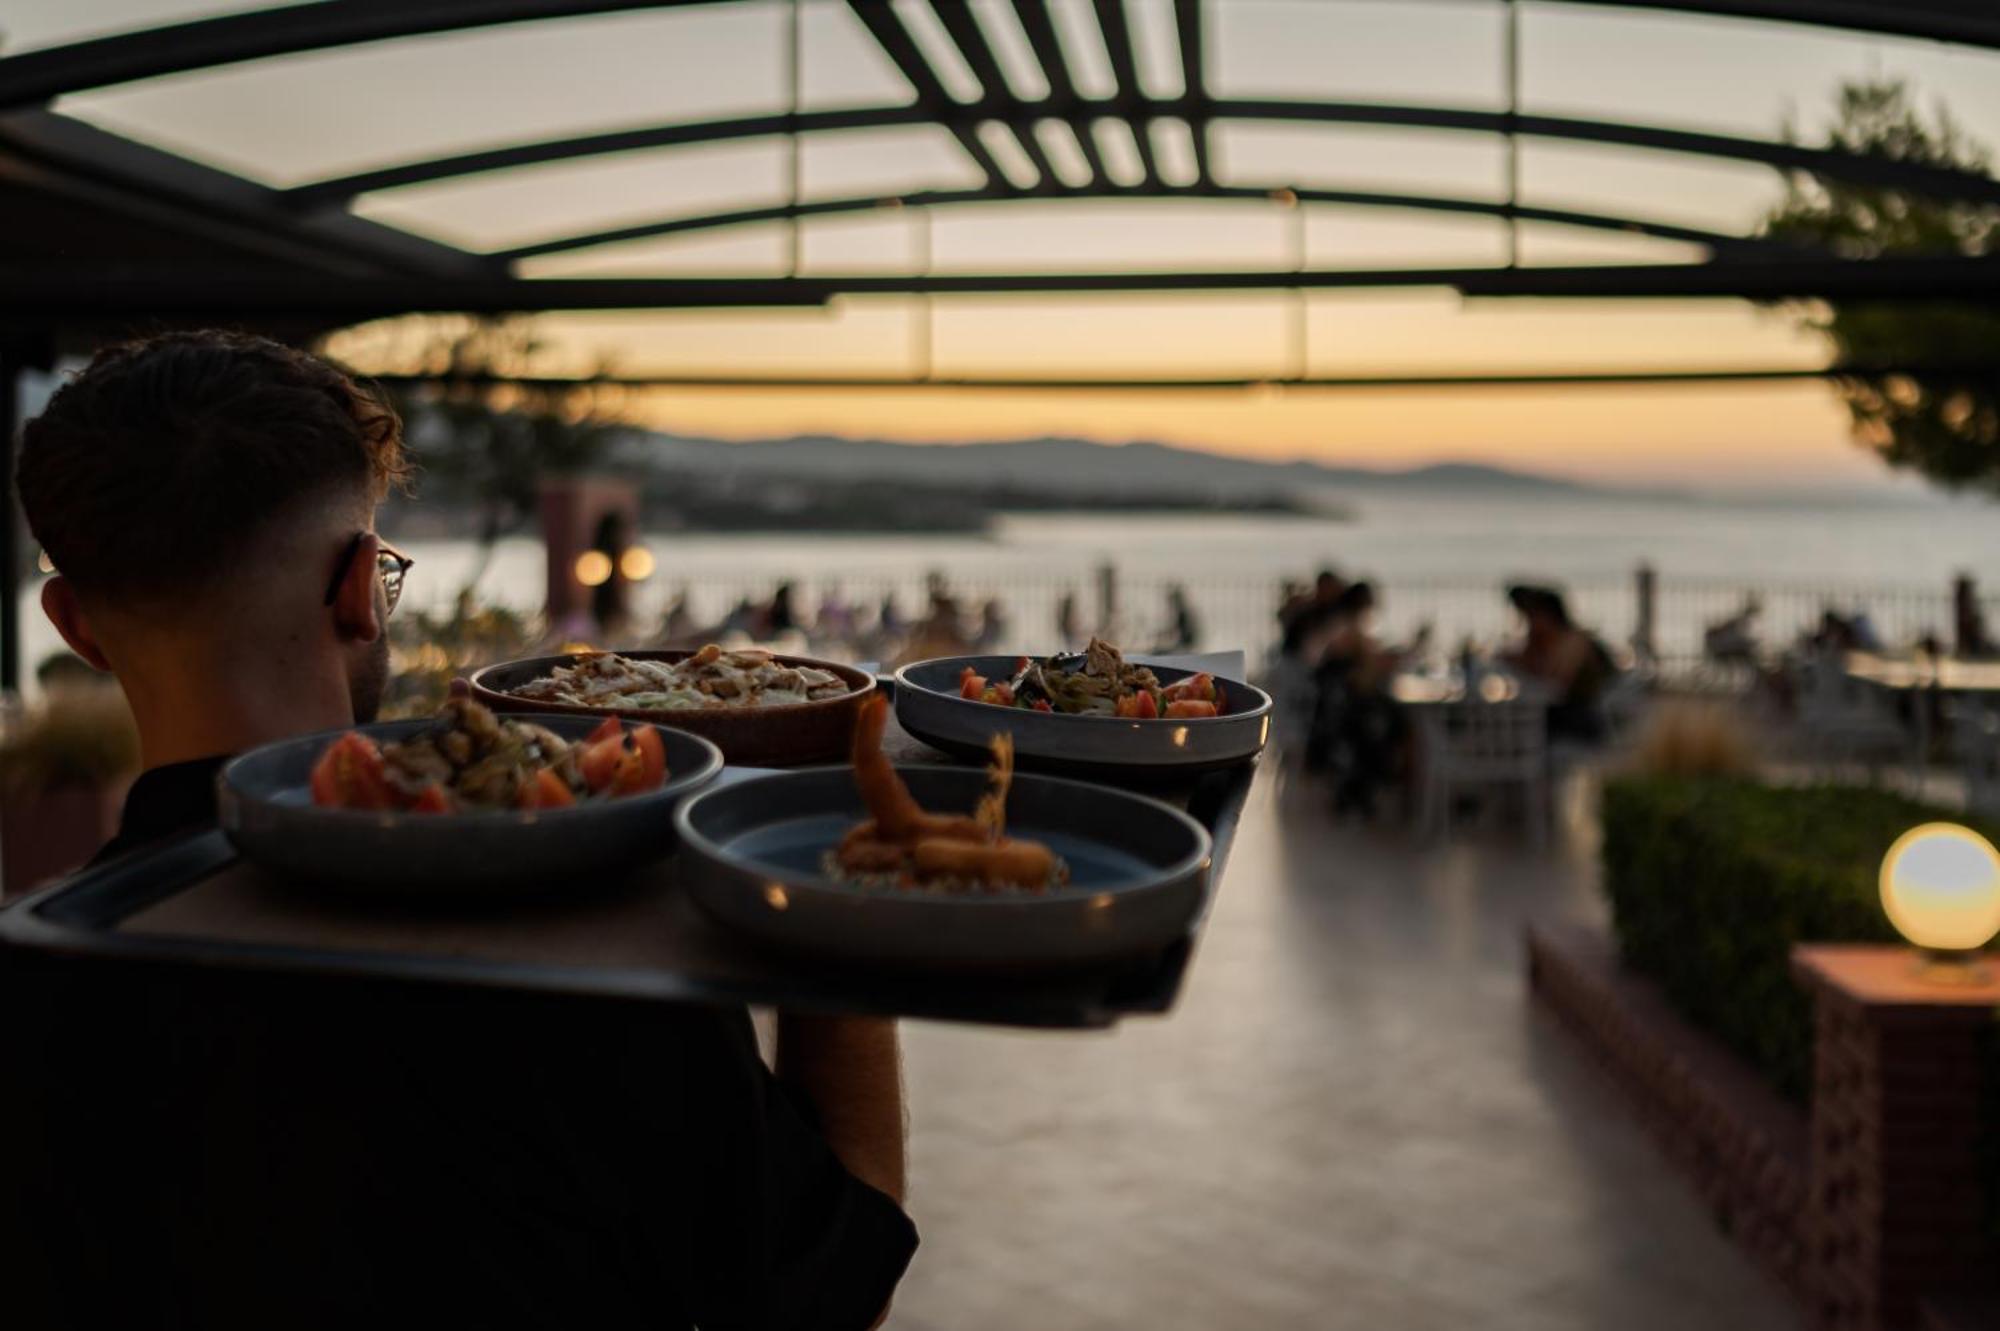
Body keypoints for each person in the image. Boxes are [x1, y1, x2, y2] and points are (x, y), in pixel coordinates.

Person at [3, 331, 916, 1329]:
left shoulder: (36, 978)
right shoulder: (590, 961)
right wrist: (831, 881)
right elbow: (835, 1289)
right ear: (358, 591)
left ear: (74, 625)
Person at [1501, 584, 1617, 742]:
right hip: (1561, 713)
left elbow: (1557, 686)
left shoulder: (1574, 641)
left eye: (1533, 617)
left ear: (1549, 616)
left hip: (1582, 718)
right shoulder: (1547, 642)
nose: (1530, 624)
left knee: (1516, 723)